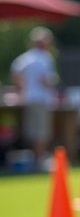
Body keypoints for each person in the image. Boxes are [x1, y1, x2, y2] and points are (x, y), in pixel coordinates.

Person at [10, 26, 58, 169]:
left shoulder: (26, 57)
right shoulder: (45, 57)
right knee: (41, 131)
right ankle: (40, 160)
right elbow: (47, 80)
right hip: (41, 99)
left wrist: (23, 87)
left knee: (33, 130)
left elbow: (15, 73)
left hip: (29, 98)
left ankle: (37, 159)